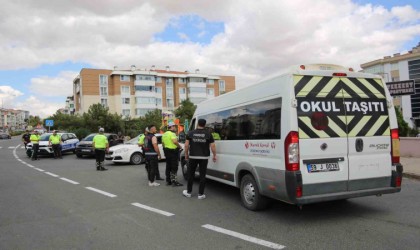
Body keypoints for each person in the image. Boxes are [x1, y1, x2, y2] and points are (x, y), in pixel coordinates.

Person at [182, 119, 217, 199]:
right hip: (204, 157)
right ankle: (201, 194)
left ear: (197, 124)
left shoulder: (190, 133)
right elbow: (213, 146)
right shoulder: (208, 134)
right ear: (204, 125)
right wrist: (215, 155)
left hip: (193, 157)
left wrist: (186, 154)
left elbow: (186, 145)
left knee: (191, 174)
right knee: (202, 175)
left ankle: (189, 192)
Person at [162, 121, 183, 186]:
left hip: (167, 151)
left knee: (168, 166)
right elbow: (174, 142)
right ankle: (174, 181)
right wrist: (180, 146)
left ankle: (168, 181)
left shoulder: (164, 134)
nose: (176, 128)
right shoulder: (172, 134)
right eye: (175, 126)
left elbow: (163, 143)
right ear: (172, 127)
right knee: (174, 166)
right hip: (173, 152)